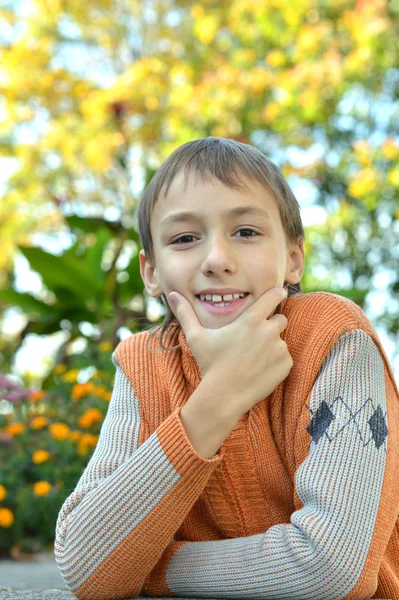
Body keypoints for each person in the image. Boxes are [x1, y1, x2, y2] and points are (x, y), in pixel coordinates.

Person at [54, 137, 399, 600]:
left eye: (246, 232)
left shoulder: (336, 340)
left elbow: (332, 567)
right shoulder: (141, 365)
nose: (217, 260)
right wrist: (221, 396)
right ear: (151, 271)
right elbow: (84, 566)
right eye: (184, 238)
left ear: (293, 258)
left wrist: (154, 570)